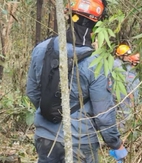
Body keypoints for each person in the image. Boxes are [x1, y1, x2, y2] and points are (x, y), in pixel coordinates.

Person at [26, 0, 127, 162]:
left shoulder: (42, 49)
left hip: (45, 138)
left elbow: (32, 92)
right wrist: (116, 144)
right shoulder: (97, 63)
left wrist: (51, 111)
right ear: (98, 24)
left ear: (68, 16)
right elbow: (103, 115)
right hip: (80, 142)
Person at [113, 42, 140, 132]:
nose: (129, 57)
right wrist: (132, 101)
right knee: (123, 117)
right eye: (126, 55)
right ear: (121, 56)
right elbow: (128, 84)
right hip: (124, 98)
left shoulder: (126, 65)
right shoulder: (118, 65)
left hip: (125, 98)